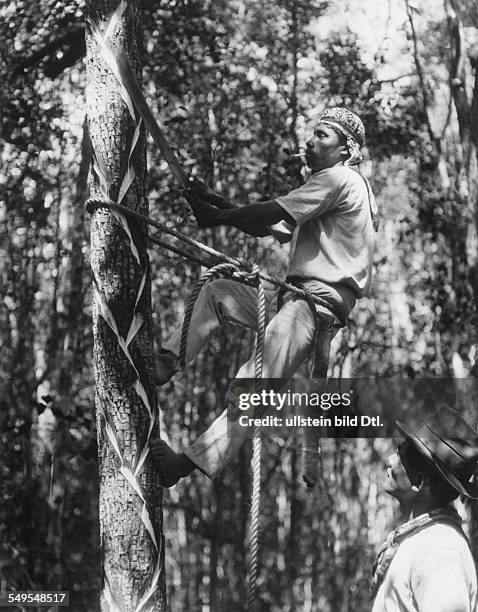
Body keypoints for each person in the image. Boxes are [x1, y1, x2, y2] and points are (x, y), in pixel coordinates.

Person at [151, 107, 378, 487]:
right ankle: (165, 361)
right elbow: (269, 224)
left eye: (322, 135)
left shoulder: (340, 179)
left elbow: (270, 211)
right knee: (219, 292)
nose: (310, 141)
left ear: (347, 149)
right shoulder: (332, 185)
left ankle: (184, 466)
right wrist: (216, 202)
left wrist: (217, 216)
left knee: (253, 384)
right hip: (295, 297)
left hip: (314, 306)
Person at [372, 407, 478, 612]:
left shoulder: (438, 552)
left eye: (399, 452)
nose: (390, 460)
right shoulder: (424, 542)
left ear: (419, 480)